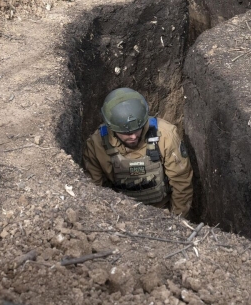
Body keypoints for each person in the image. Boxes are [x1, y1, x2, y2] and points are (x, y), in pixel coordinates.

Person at [83, 88, 193, 217]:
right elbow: (93, 189)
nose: (134, 137)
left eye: (137, 130)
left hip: (162, 213)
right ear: (111, 128)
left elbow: (181, 183)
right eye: (127, 133)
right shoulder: (97, 144)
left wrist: (177, 222)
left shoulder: (166, 136)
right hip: (120, 216)